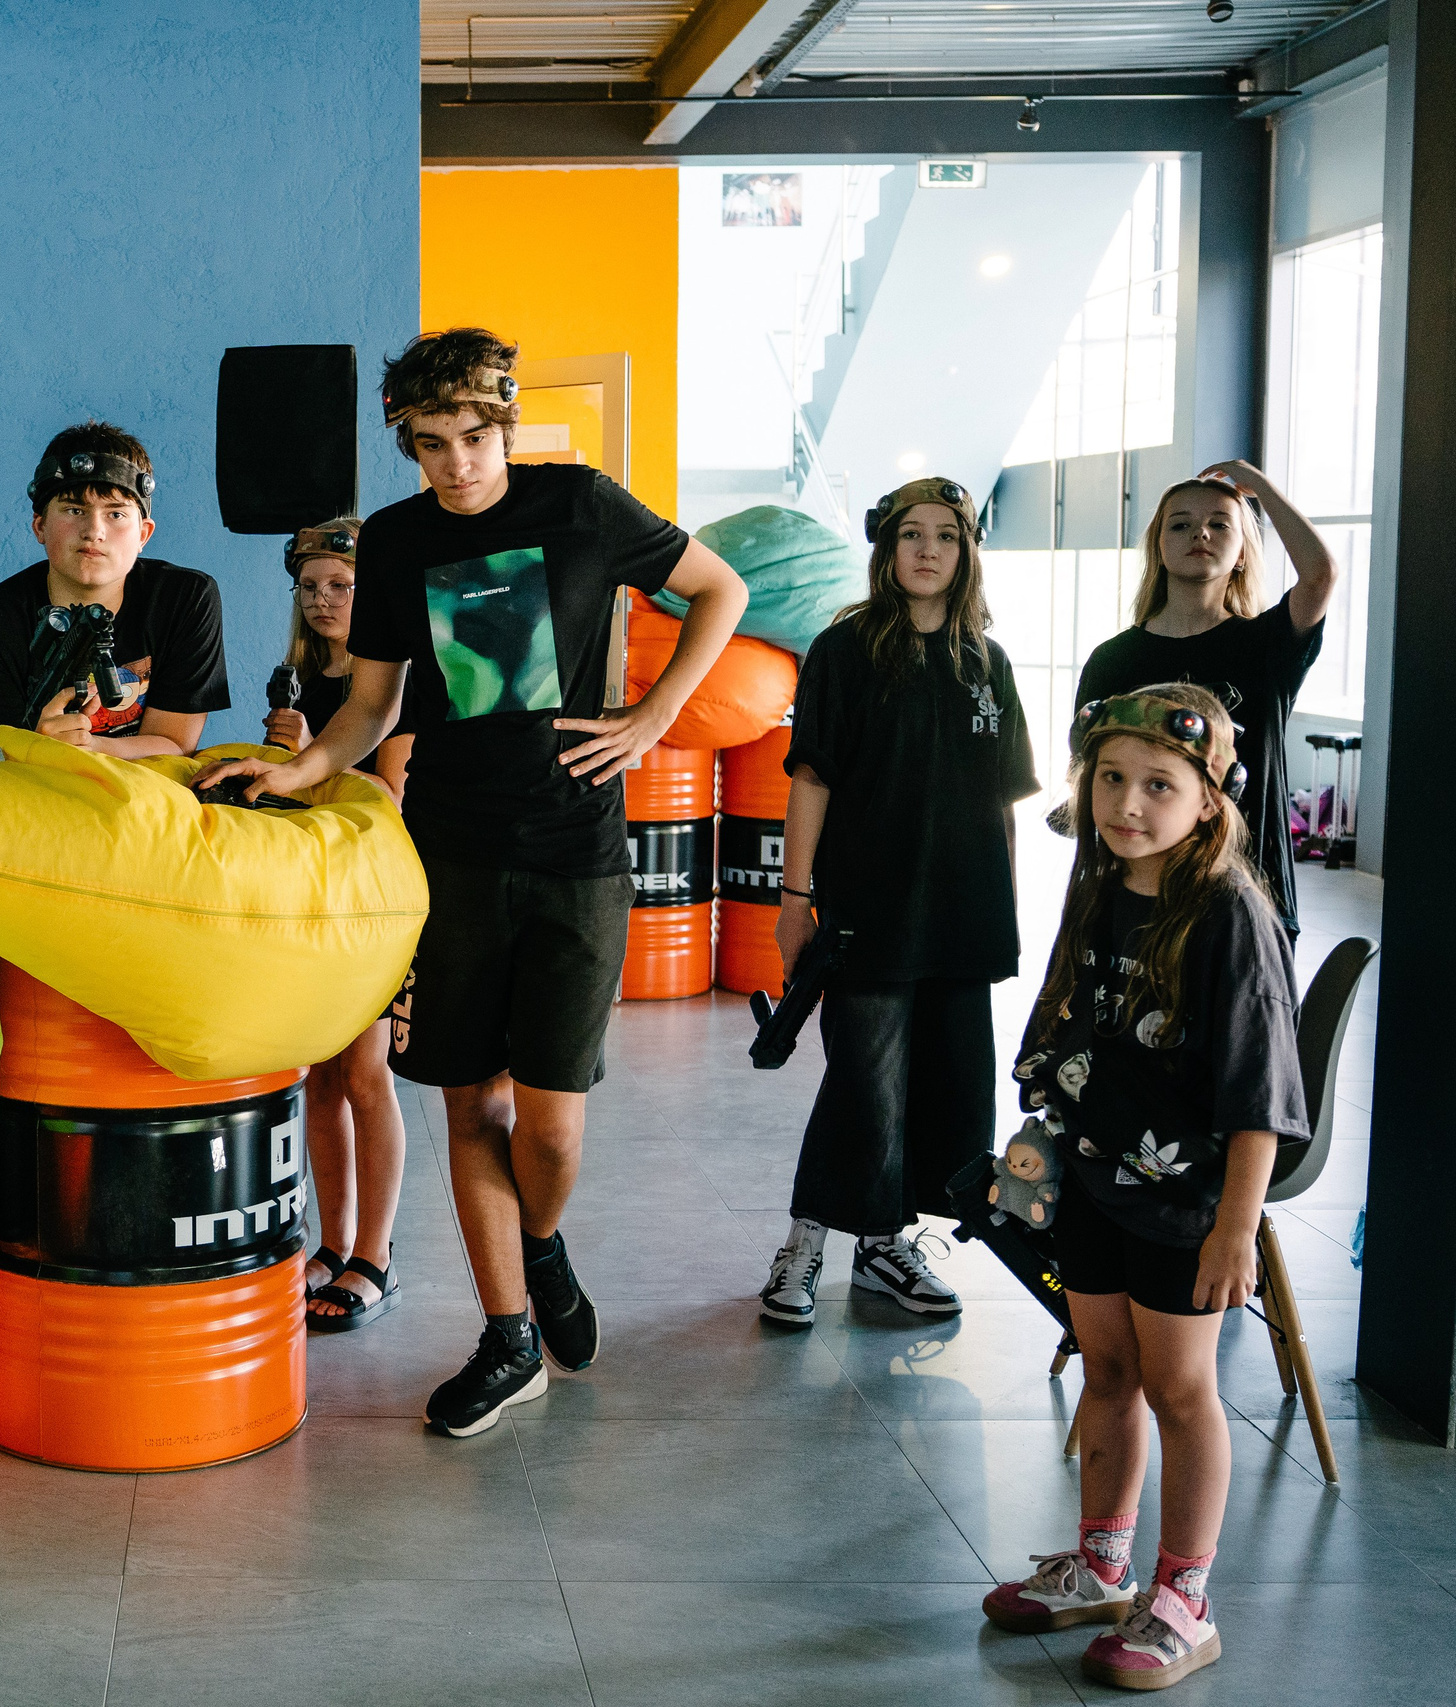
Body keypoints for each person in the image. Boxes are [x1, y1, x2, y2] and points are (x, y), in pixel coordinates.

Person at [200, 327, 748, 1436]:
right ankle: (508, 1339)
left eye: (473, 437)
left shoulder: (584, 505)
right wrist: (300, 764)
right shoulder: (397, 542)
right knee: (470, 1100)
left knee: (550, 1127)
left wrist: (653, 720)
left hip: (577, 846)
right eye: (430, 443)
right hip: (451, 846)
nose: (455, 462)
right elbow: (372, 704)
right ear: (407, 443)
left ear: (506, 423)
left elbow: (718, 590)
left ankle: (539, 1245)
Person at [988, 684, 1306, 1692]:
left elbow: (1257, 1099)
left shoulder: (1228, 917)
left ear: (1206, 800)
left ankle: (1185, 1602)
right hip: (1088, 1179)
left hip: (1182, 1202)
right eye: (1111, 780)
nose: (1127, 804)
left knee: (1179, 1390)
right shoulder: (1100, 883)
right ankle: (1101, 1566)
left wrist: (1233, 1229)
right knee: (1107, 1372)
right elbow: (1064, 1023)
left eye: (1157, 786)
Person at [757, 479, 1039, 1326]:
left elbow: (1004, 804)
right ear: (887, 551)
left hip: (963, 917)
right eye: (911, 535)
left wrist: (1007, 917)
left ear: (966, 552)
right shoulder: (844, 650)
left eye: (945, 537)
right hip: (867, 912)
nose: (927, 551)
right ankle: (806, 1238)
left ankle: (884, 1246)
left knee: (946, 1093)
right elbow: (812, 778)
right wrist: (794, 899)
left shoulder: (987, 662)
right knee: (864, 1085)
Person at [1073, 463, 1335, 934]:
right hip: (1134, 891)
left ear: (1241, 552)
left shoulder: (1268, 645)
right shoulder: (1113, 660)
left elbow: (1319, 575)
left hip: (1248, 888)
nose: (1201, 532)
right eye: (1181, 524)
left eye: (1219, 523)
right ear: (1159, 545)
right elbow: (1091, 771)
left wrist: (1258, 486)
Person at [264, 518, 413, 1331]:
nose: (323, 600)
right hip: (312, 895)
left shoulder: (394, 686)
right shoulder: (289, 682)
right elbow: (289, 793)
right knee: (319, 1078)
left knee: (365, 1073)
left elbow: (388, 799)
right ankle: (335, 1240)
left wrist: (317, 752)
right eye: (311, 586)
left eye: (341, 586)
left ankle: (378, 1256)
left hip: (373, 898)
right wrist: (281, 755)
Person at [0, 421, 228, 754]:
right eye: (74, 509)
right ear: (40, 526)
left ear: (143, 534)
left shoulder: (185, 599)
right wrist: (36, 747)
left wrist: (88, 748)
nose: (93, 531)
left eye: (115, 514)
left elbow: (174, 745)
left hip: (143, 793)